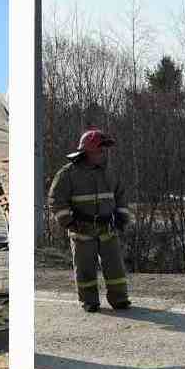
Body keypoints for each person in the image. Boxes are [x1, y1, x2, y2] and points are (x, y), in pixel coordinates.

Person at [47, 128, 131, 312]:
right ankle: (89, 300)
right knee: (85, 267)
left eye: (104, 149)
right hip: (82, 229)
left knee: (115, 266)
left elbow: (121, 195)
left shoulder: (110, 172)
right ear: (87, 151)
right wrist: (69, 222)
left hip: (108, 228)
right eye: (99, 149)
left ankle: (119, 299)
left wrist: (122, 217)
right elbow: (56, 200)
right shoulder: (68, 174)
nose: (103, 153)